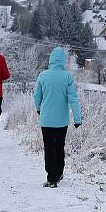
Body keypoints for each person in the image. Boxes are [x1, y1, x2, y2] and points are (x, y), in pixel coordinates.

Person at [33, 46, 82, 188]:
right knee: (59, 147)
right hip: (62, 121)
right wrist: (77, 119)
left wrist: (38, 109)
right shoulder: (67, 77)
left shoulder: (43, 75)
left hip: (46, 120)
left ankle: (51, 177)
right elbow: (73, 99)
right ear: (63, 61)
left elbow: (37, 96)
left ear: (51, 60)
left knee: (49, 148)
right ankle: (59, 173)